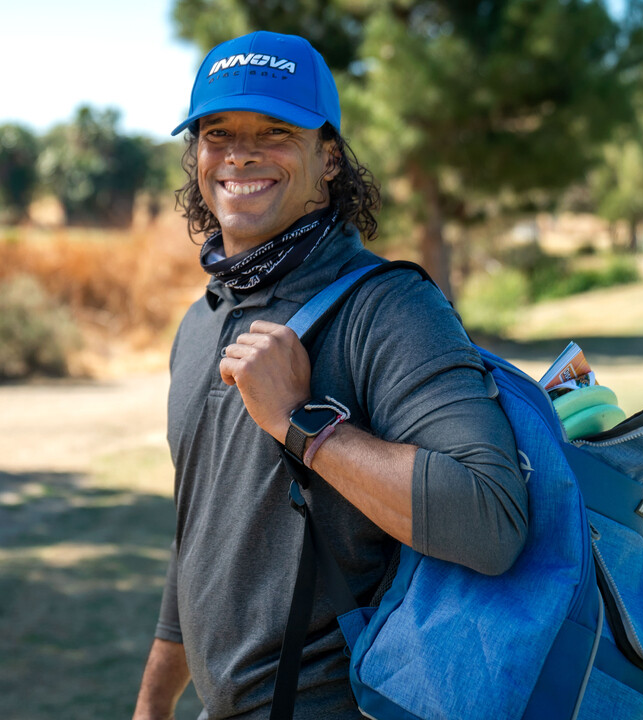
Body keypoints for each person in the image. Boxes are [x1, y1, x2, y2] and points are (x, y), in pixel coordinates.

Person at [133, 30, 528, 720]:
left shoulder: (389, 307)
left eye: (276, 132)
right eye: (218, 133)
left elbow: (490, 519)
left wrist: (301, 422)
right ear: (195, 154)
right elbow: (200, 533)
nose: (241, 154)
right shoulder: (202, 320)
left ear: (330, 160)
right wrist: (153, 703)